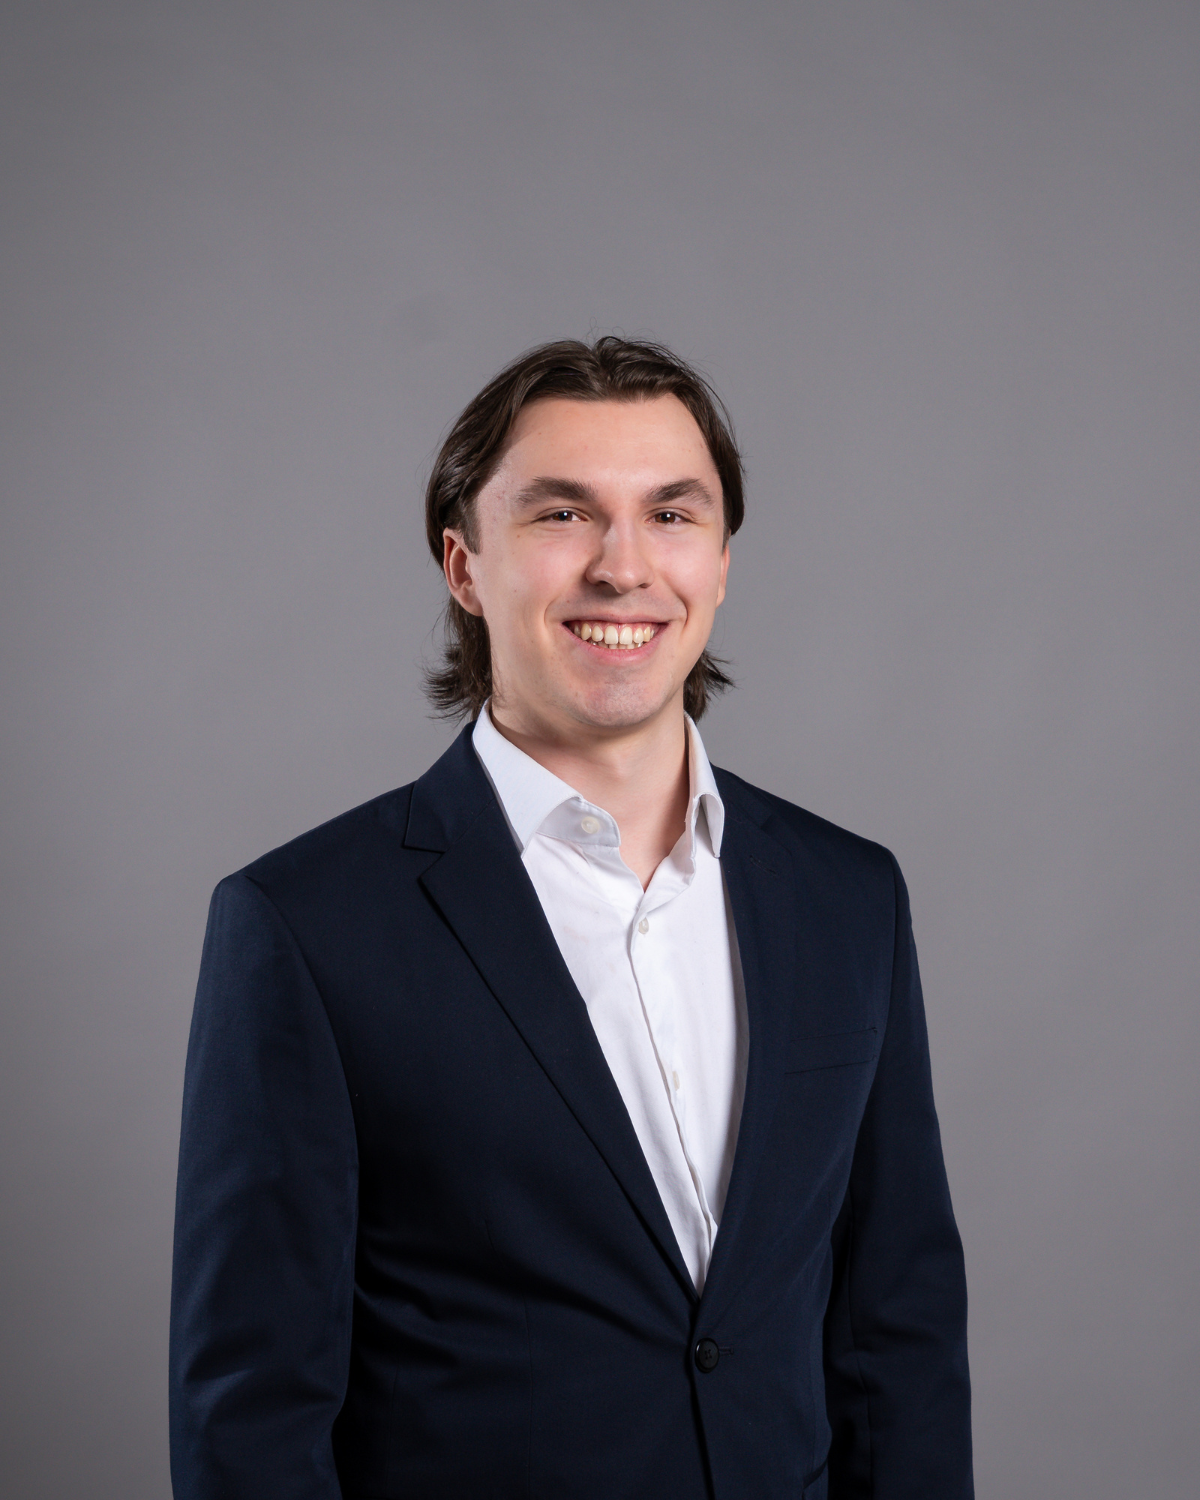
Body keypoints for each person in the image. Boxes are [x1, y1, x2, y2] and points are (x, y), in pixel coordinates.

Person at [169, 337, 973, 1500]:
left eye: (671, 515)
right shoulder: (302, 928)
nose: (623, 566)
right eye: (562, 515)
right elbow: (250, 1418)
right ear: (464, 566)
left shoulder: (849, 897)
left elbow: (896, 1339)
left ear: (721, 563)